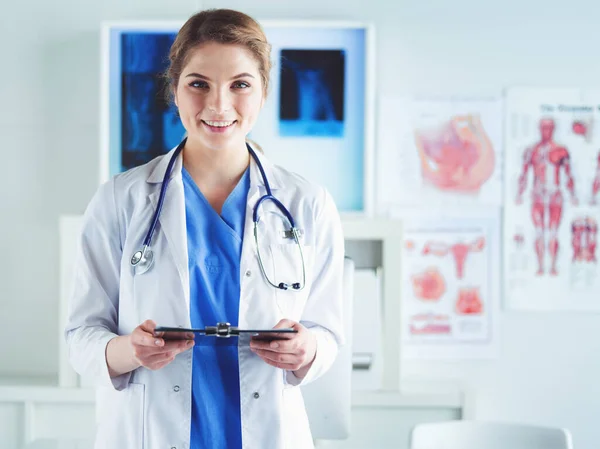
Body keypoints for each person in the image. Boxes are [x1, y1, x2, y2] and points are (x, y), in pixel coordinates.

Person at [65, 8, 345, 449]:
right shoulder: (121, 200)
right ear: (174, 90)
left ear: (263, 92)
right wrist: (128, 351)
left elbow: (328, 334)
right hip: (149, 433)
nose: (218, 105)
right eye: (198, 84)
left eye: (240, 85)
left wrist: (307, 349)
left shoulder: (307, 205)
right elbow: (81, 336)